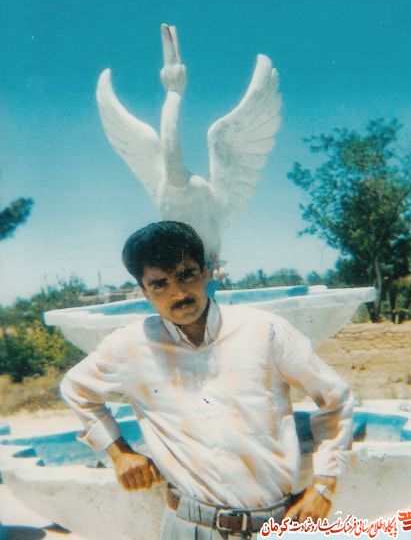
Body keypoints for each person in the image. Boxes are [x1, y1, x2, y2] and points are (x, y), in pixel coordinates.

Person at [60, 221, 353, 539]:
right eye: (159, 284)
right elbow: (76, 389)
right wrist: (119, 452)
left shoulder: (265, 331)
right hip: (188, 527)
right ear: (144, 292)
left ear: (205, 272)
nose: (178, 293)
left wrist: (325, 484)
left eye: (186, 274)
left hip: (276, 525)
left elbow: (335, 398)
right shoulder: (130, 346)